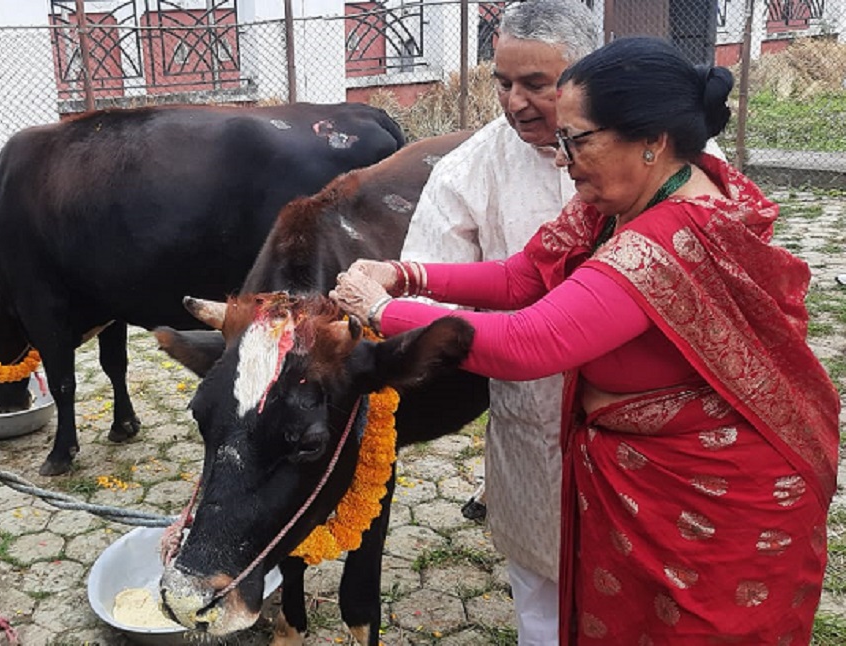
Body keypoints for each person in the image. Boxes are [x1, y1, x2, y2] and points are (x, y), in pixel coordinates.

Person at [332, 37, 839, 644]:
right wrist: (407, 274)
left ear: (649, 139)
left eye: (577, 141)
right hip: (641, 489)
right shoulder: (621, 203)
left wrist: (384, 311)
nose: (562, 160)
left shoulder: (663, 245)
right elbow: (523, 276)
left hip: (707, 508)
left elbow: (528, 343)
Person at [400, 2, 600, 642]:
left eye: (536, 84)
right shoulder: (472, 167)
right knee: (539, 585)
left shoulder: (656, 151)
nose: (514, 103)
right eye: (502, 82)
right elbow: (438, 295)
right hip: (533, 418)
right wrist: (392, 305)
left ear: (589, 70)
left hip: (642, 424)